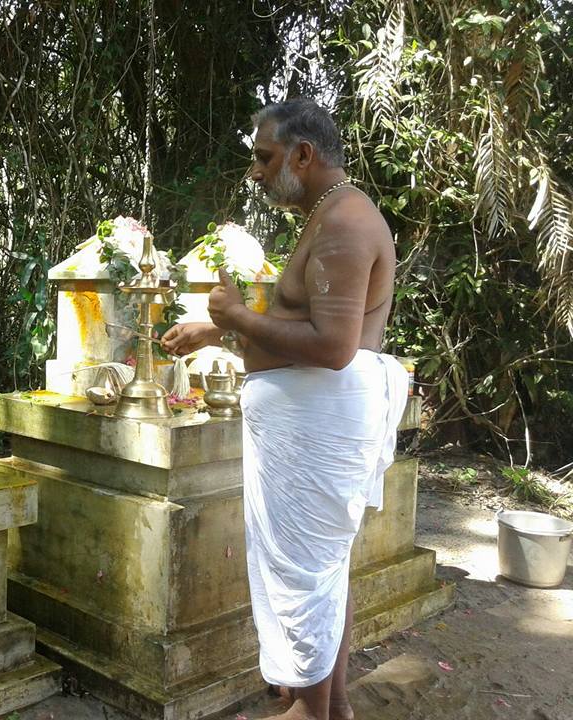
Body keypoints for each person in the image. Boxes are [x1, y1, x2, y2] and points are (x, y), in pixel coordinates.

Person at [161, 98, 409, 720]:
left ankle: (308, 711)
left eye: (264, 158)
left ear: (304, 153)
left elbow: (332, 345)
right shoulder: (327, 215)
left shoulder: (345, 223)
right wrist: (219, 333)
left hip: (319, 424)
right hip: (310, 423)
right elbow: (305, 322)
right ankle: (332, 704)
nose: (256, 173)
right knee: (318, 569)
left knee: (304, 572)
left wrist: (238, 317)